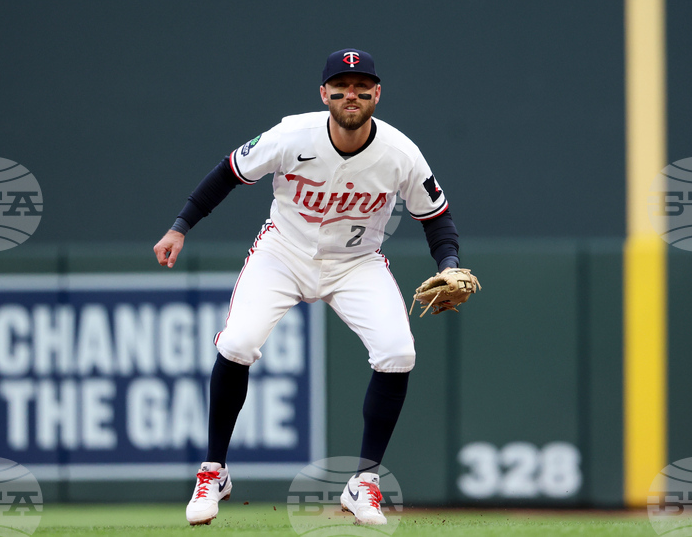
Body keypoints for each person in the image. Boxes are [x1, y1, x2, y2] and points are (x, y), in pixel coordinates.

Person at [153, 48, 462, 526]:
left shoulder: (400, 153)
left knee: (398, 352)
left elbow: (436, 218)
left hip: (356, 263)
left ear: (377, 93)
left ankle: (364, 484)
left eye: (362, 87)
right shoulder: (292, 134)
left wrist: (450, 263)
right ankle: (213, 471)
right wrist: (180, 226)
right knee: (237, 343)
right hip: (284, 254)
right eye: (341, 87)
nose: (351, 94)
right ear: (324, 94)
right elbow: (228, 172)